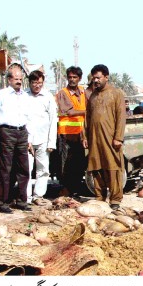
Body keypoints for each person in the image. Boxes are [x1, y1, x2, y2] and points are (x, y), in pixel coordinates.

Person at [82, 64, 126, 210]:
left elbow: (121, 116)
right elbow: (87, 117)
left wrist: (118, 137)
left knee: (112, 168)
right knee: (96, 168)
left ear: (106, 77)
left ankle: (115, 200)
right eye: (93, 78)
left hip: (111, 138)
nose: (95, 80)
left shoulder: (116, 93)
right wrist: (85, 136)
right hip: (95, 138)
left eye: (98, 77)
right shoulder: (93, 95)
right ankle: (100, 197)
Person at [0, 65, 32, 213]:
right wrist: (3, 127)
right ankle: (2, 202)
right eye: (16, 79)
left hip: (22, 133)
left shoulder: (25, 96)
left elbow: (29, 117)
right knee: (5, 169)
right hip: (7, 132)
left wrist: (29, 138)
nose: (19, 82)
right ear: (9, 79)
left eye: (21, 79)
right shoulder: (2, 94)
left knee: (23, 168)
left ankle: (21, 200)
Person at [55, 66, 88, 196]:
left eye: (75, 77)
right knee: (65, 164)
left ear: (79, 78)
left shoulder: (83, 92)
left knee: (78, 163)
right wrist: (87, 112)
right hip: (66, 133)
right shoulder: (63, 93)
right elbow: (69, 111)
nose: (72, 80)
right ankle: (66, 189)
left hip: (80, 134)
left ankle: (74, 187)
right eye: (70, 77)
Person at [25, 70, 57, 204]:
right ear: (30, 83)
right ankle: (25, 197)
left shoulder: (48, 97)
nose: (37, 86)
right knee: (26, 169)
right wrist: (26, 140)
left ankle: (38, 196)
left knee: (43, 170)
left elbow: (53, 120)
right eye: (34, 83)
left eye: (39, 83)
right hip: (27, 140)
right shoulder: (24, 96)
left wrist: (51, 143)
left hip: (43, 139)